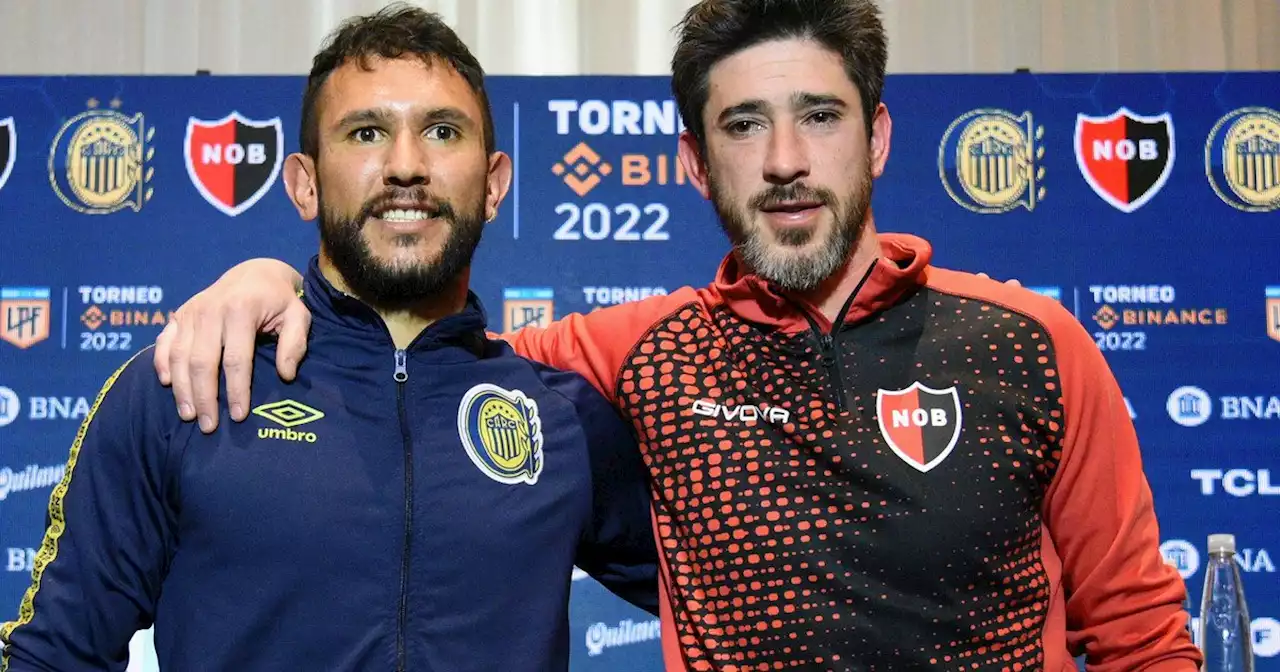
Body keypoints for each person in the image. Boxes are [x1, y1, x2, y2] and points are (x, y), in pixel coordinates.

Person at [149, 0, 1202, 670]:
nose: (785, 157)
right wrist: (266, 279)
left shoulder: (1032, 343)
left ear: (876, 136)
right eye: (743, 125)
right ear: (696, 165)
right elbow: (414, 350)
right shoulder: (626, 359)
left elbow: (1143, 638)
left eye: (819, 116)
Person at [0, 6, 658, 671]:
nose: (406, 165)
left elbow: (737, 596)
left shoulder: (562, 420)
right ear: (304, 184)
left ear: (493, 187)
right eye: (367, 131)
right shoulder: (184, 382)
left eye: (440, 130)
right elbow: (54, 658)